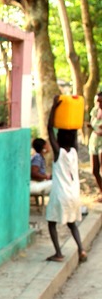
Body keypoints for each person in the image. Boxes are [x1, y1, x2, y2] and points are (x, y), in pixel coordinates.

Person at [45, 95, 87, 263]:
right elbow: (74, 131)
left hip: (60, 194)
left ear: (59, 139)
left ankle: (58, 253)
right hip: (75, 195)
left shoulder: (58, 153)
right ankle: (81, 250)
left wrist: (54, 107)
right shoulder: (75, 152)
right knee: (72, 224)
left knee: (51, 222)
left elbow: (49, 129)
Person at [87, 91, 102, 202]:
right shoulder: (94, 111)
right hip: (94, 141)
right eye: (97, 101)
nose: (99, 104)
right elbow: (93, 125)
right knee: (94, 170)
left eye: (101, 102)